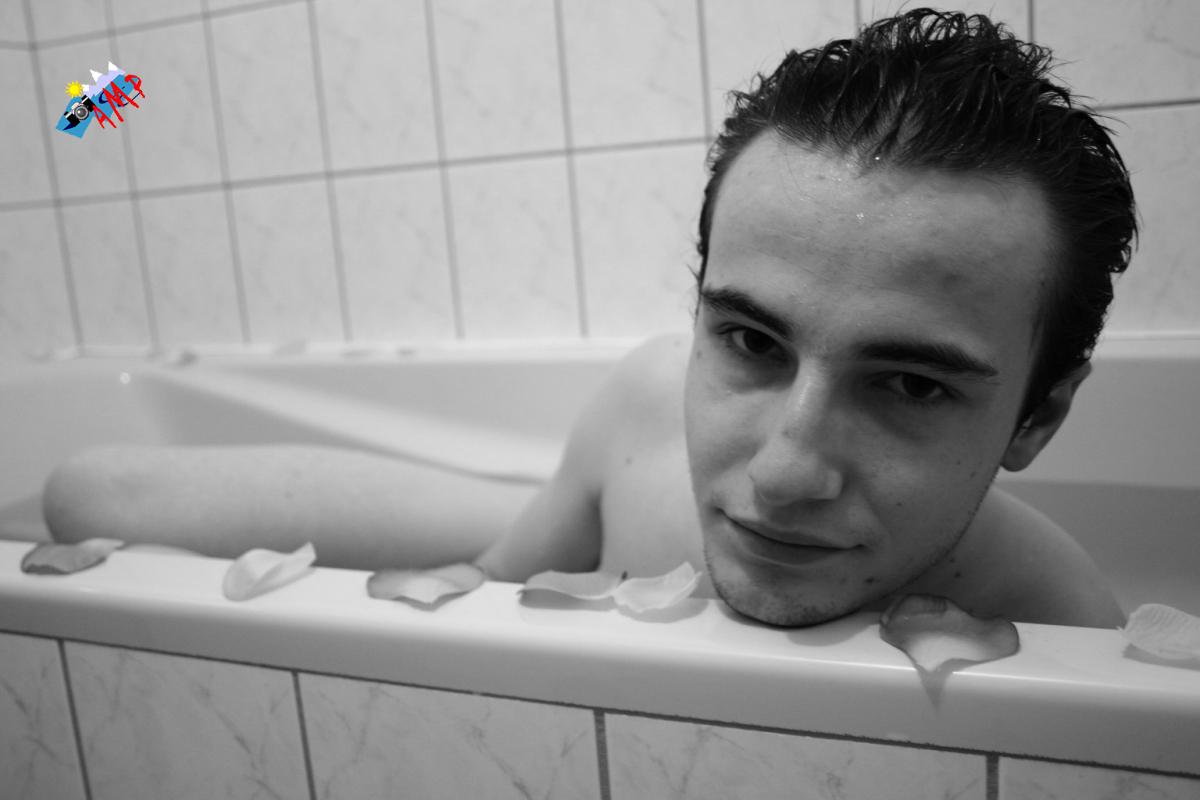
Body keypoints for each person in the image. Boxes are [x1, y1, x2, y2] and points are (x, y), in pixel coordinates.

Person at [43, 9, 1134, 628]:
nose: (785, 471)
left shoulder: (1061, 624)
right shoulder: (647, 403)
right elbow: (497, 578)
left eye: (911, 384)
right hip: (592, 503)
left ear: (1038, 417)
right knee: (86, 490)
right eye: (751, 341)